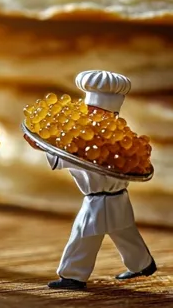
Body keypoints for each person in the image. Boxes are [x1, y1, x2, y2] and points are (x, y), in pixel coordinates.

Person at [25, 69, 156, 291]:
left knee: (83, 235)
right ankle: (143, 264)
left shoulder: (104, 140)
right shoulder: (92, 133)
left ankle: (72, 276)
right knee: (124, 231)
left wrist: (45, 149)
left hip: (99, 200)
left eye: (94, 109)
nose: (89, 111)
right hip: (117, 198)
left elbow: (76, 158)